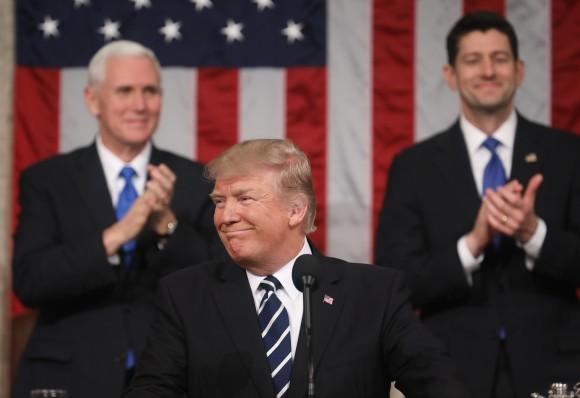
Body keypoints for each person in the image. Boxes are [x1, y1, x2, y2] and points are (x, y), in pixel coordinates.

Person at [124, 138, 467, 398]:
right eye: (219, 202)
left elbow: (440, 385)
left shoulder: (373, 295)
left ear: (295, 210)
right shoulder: (185, 295)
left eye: (244, 199)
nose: (225, 217)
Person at [375, 10, 580, 398]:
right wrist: (473, 242)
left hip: (556, 367)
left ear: (519, 70)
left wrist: (533, 233)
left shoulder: (569, 154)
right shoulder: (413, 166)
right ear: (450, 75)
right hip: (451, 371)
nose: (488, 71)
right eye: (473, 60)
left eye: (499, 59)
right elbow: (395, 280)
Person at [11, 40, 222, 398]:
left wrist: (167, 227)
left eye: (150, 91)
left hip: (170, 376)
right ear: (93, 100)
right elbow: (31, 282)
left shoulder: (196, 180)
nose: (140, 105)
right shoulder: (48, 180)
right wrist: (116, 235)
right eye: (125, 91)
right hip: (68, 377)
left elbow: (219, 284)